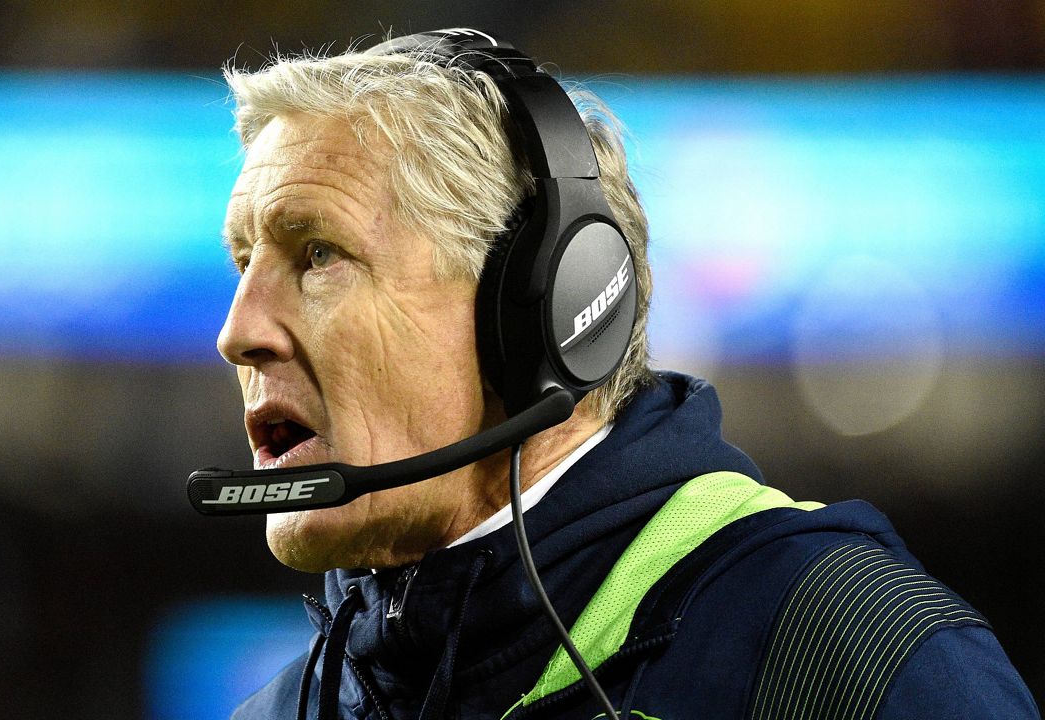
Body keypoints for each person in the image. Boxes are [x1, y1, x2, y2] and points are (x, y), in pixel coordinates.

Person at [206, 29, 1039, 720]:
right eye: (244, 262)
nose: (237, 334)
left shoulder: (850, 661)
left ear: (541, 316)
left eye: (318, 255)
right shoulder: (280, 711)